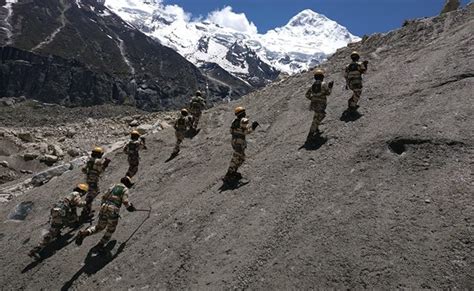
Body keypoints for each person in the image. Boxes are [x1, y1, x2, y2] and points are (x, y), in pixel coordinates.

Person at [28, 184, 89, 258]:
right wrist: (86, 202)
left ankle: (57, 233)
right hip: (60, 213)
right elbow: (79, 204)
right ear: (82, 191)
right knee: (52, 232)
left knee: (61, 223)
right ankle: (36, 250)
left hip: (57, 211)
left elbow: (73, 211)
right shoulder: (76, 194)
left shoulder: (70, 195)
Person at [75, 177, 136, 250]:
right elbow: (125, 201)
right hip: (113, 210)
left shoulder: (113, 186)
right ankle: (101, 245)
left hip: (104, 208)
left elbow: (104, 197)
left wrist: (103, 207)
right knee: (110, 229)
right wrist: (130, 207)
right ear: (127, 183)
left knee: (99, 227)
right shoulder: (125, 189)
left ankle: (85, 233)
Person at [223, 106, 259, 183]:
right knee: (236, 158)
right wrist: (253, 127)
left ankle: (233, 172)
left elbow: (231, 131)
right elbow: (246, 131)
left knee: (241, 158)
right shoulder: (243, 120)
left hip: (234, 140)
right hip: (239, 141)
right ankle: (228, 175)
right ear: (243, 113)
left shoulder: (234, 121)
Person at [80, 147, 111, 220]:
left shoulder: (89, 160)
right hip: (94, 179)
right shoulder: (98, 161)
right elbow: (101, 170)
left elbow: (83, 170)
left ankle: (87, 209)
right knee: (92, 194)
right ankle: (86, 211)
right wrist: (105, 164)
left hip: (89, 179)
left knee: (92, 192)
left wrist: (90, 172)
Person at [305, 69, 334, 140]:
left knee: (316, 115)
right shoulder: (323, 84)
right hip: (321, 103)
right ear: (322, 77)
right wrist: (330, 87)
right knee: (321, 116)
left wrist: (312, 98)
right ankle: (311, 132)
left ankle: (316, 129)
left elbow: (307, 95)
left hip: (314, 104)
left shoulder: (312, 85)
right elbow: (328, 93)